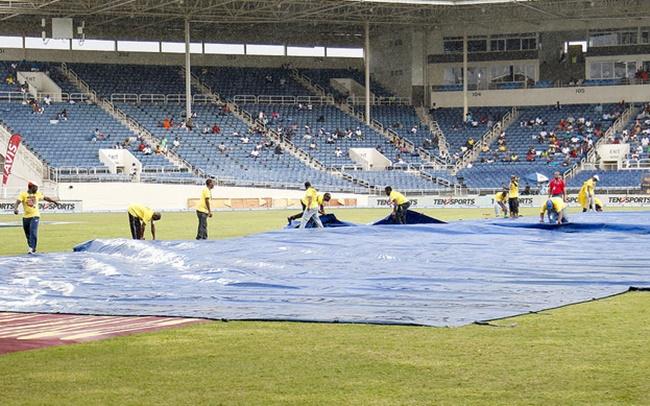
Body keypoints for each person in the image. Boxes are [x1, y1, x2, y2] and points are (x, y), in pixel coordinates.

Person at [13, 182, 60, 254]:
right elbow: (17, 202)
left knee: (33, 232)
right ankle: (31, 247)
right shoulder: (23, 194)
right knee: (27, 233)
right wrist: (15, 209)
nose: (37, 189)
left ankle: (32, 248)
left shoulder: (37, 194)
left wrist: (54, 201)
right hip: (25, 217)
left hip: (35, 215)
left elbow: (46, 198)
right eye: (36, 187)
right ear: (31, 187)